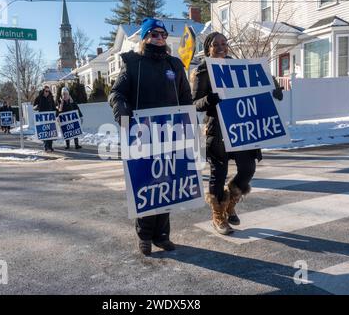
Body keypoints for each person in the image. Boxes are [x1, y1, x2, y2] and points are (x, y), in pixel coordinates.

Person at [108, 18, 192, 256]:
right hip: (142, 134)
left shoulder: (174, 65)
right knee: (146, 183)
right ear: (145, 37)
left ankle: (161, 235)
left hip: (171, 134)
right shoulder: (133, 63)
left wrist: (190, 123)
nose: (160, 38)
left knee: (168, 183)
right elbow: (116, 93)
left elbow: (185, 97)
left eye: (163, 35)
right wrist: (121, 109)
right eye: (154, 34)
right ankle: (144, 235)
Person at [191, 32, 283, 235]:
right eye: (216, 44)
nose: (222, 47)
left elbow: (263, 82)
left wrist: (275, 89)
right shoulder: (203, 71)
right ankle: (218, 216)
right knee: (219, 173)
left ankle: (230, 203)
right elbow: (194, 103)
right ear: (208, 49)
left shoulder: (239, 67)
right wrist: (210, 100)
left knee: (248, 169)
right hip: (218, 129)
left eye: (224, 43)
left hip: (243, 128)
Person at [33, 85, 57, 152]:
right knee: (45, 132)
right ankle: (46, 146)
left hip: (50, 118)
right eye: (46, 91)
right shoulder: (39, 98)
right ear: (43, 91)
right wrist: (37, 107)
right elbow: (34, 107)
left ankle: (50, 146)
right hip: (42, 118)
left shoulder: (51, 98)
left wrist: (56, 113)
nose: (47, 93)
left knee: (51, 132)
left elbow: (53, 106)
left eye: (48, 91)